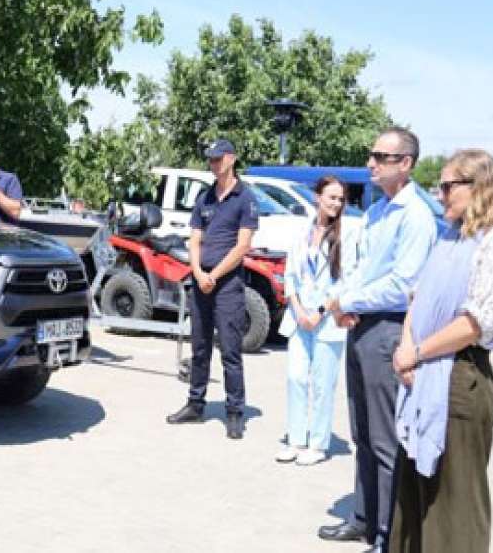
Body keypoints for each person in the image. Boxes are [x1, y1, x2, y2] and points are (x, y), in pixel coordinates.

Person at [389, 149, 493, 552]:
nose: (441, 193)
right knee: (413, 503)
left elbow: (475, 322)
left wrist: (418, 352)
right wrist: (406, 344)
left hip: (459, 382)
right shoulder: (450, 237)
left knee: (454, 510)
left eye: (449, 185)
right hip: (424, 378)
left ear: (479, 187)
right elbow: (420, 298)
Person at [317, 127, 438, 552]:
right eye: (371, 154)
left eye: (381, 156)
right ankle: (364, 519)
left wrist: (348, 299)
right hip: (362, 324)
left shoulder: (415, 215)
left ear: (405, 163)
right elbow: (362, 266)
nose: (371, 163)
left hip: (388, 328)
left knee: (386, 440)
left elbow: (403, 284)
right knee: (362, 432)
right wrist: (346, 302)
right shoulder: (378, 210)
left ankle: (388, 534)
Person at [166, 139, 259, 439]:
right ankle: (195, 403)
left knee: (230, 350)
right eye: (210, 160)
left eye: (219, 159)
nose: (214, 164)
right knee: (199, 347)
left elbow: (243, 245)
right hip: (201, 280)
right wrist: (197, 271)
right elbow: (194, 239)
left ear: (231, 159)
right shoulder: (204, 197)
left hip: (227, 284)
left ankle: (234, 412)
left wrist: (214, 275)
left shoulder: (245, 197)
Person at [275, 176, 359, 466]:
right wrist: (297, 307)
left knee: (323, 384)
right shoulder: (302, 230)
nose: (336, 203)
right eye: (331, 197)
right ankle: (296, 438)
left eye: (340, 199)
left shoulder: (347, 234)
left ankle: (318, 443)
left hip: (327, 319)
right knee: (296, 377)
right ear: (317, 197)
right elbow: (290, 274)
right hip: (299, 316)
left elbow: (345, 280)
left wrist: (320, 312)